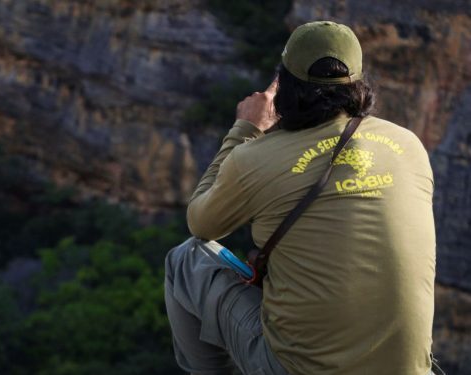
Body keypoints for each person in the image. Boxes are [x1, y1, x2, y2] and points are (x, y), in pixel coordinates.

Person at [164, 21, 437, 375]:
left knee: (186, 260)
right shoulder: (408, 145)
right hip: (408, 370)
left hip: (300, 369)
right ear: (358, 83)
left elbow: (200, 223)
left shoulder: (256, 158)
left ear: (284, 86)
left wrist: (245, 130)